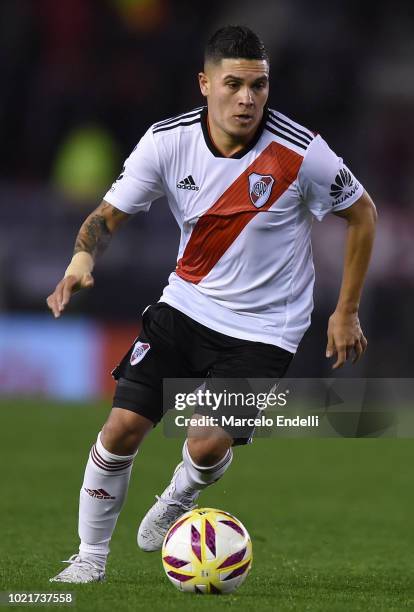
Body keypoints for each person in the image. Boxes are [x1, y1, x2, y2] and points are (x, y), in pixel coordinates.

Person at [47, 25, 377, 583]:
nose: (248, 98)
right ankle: (89, 560)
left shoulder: (302, 152)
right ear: (205, 84)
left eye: (259, 85)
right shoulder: (165, 142)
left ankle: (185, 488)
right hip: (187, 306)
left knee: (203, 444)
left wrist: (345, 311)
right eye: (234, 85)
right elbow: (105, 217)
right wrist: (81, 262)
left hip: (267, 329)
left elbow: (363, 213)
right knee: (120, 428)